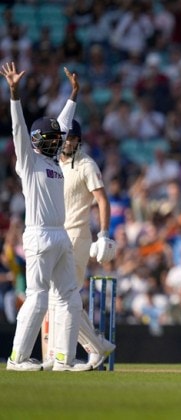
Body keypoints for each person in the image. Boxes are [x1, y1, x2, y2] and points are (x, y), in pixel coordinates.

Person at [2, 61, 90, 371]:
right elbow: (18, 130)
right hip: (38, 234)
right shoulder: (29, 161)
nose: (57, 141)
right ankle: (17, 359)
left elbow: (63, 124)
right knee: (38, 298)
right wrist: (14, 94)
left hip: (61, 234)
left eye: (57, 139)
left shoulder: (53, 160)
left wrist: (74, 94)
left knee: (70, 296)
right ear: (39, 141)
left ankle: (63, 360)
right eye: (51, 139)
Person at [48, 118, 116, 370]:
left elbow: (102, 200)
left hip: (78, 236)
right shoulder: (53, 162)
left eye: (72, 138)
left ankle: (75, 353)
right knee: (60, 297)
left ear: (78, 140)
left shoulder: (86, 164)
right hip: (57, 234)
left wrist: (104, 234)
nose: (68, 142)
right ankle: (97, 347)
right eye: (64, 138)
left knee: (67, 296)